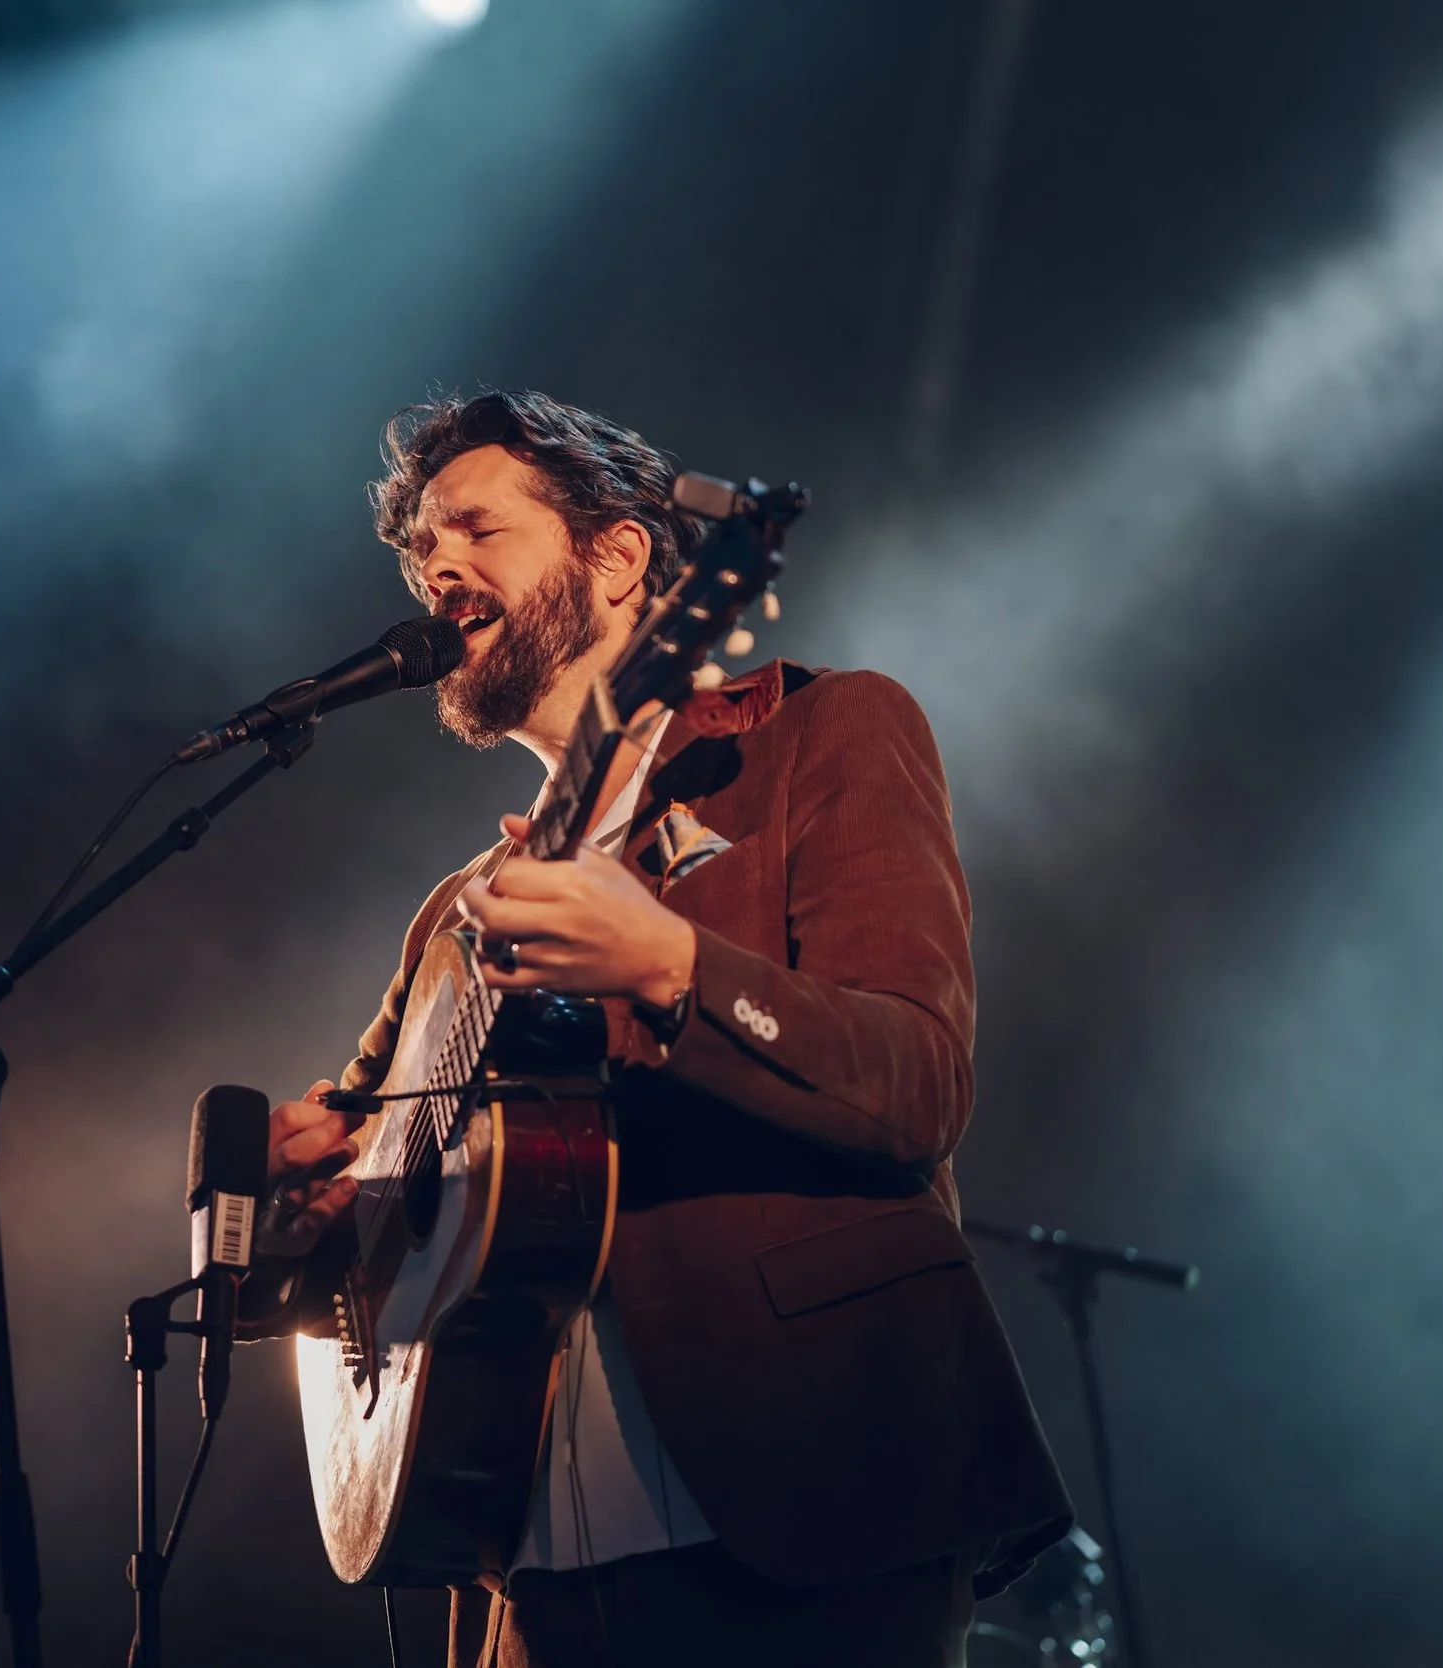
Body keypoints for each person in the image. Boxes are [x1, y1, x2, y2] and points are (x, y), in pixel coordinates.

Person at [248, 390, 1071, 1668]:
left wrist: (671, 966)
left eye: (475, 529)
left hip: (813, 1498)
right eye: (419, 553)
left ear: (621, 558)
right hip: (523, 1563)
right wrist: (300, 1212)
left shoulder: (817, 735)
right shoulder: (458, 917)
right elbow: (352, 1231)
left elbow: (914, 1086)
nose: (437, 569)